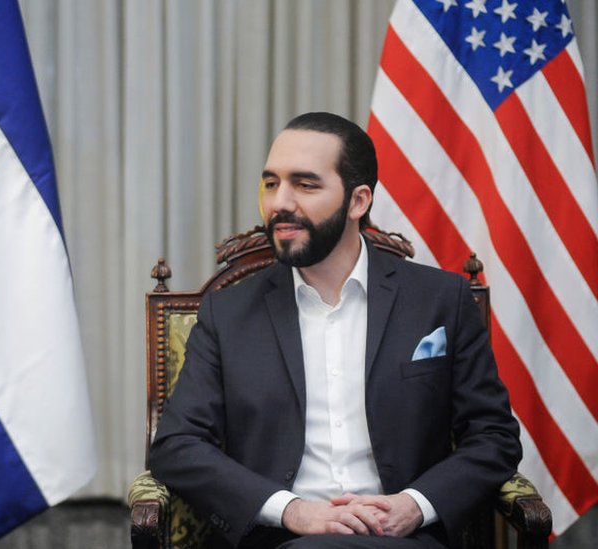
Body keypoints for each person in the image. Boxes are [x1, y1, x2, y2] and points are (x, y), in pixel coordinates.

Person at [148, 112, 521, 549]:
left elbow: (494, 436)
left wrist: (414, 505)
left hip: (405, 539)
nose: (279, 203)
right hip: (280, 540)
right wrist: (294, 511)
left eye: (305, 185)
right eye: (271, 184)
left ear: (358, 201)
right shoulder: (227, 313)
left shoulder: (441, 300)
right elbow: (177, 445)